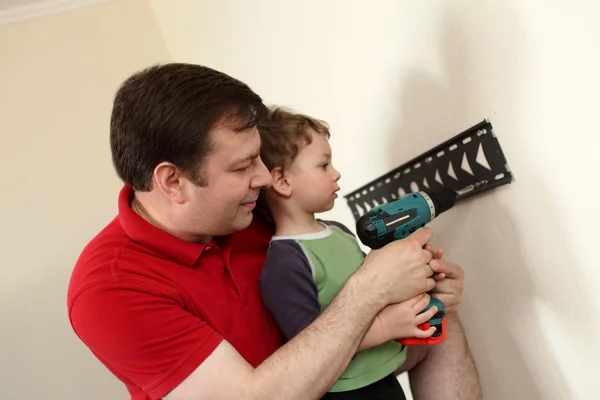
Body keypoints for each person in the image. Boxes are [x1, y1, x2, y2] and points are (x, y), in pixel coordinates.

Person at [67, 62, 481, 400]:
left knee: (439, 321)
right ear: (173, 182)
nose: (265, 178)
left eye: (260, 159)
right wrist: (372, 287)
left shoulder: (255, 210)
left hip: (348, 378)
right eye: (243, 166)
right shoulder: (109, 291)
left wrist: (416, 291)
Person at [256, 106, 444, 400]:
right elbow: (311, 346)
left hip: (384, 373)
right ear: (282, 181)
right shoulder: (285, 263)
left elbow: (372, 292)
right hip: (348, 391)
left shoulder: (339, 231)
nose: (336, 172)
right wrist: (387, 325)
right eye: (323, 165)